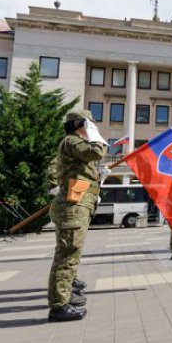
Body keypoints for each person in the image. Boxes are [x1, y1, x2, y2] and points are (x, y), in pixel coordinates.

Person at [48, 109, 106, 322]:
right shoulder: (72, 141)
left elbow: (84, 173)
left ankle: (65, 294)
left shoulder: (74, 143)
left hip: (77, 204)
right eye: (89, 124)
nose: (93, 127)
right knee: (67, 255)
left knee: (71, 254)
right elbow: (96, 152)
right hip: (72, 207)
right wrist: (95, 135)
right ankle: (58, 306)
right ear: (78, 124)